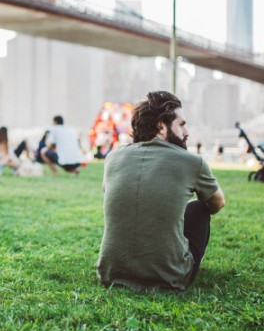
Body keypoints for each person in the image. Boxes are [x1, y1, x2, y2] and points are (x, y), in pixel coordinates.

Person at [96, 91, 225, 291]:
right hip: (169, 277)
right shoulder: (191, 161)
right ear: (161, 125)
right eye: (181, 124)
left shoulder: (113, 158)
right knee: (199, 208)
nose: (186, 132)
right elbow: (217, 204)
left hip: (111, 272)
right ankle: (172, 264)